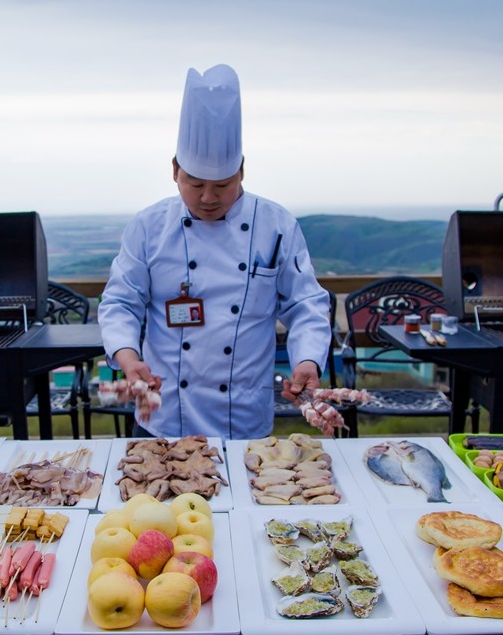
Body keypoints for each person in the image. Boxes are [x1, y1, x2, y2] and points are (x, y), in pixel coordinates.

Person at [98, 64, 332, 441]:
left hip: (243, 415)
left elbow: (305, 303)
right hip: (165, 413)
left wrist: (307, 359)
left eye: (222, 185)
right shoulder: (149, 227)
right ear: (175, 171)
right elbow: (120, 302)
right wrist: (128, 357)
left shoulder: (276, 225)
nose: (208, 197)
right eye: (195, 184)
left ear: (242, 172)